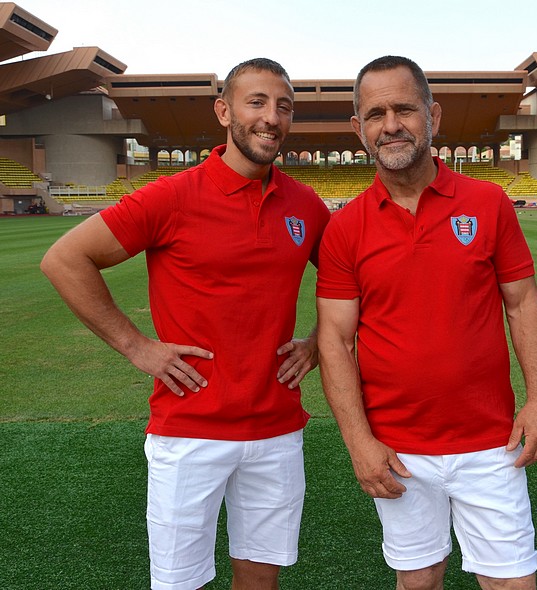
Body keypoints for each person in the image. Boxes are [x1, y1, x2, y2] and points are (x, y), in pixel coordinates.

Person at [41, 57, 330, 590]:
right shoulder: (172, 196)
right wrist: (136, 346)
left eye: (284, 107)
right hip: (189, 430)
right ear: (224, 111)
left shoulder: (305, 205)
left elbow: (352, 283)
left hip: (276, 429)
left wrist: (316, 343)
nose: (272, 118)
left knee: (260, 580)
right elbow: (64, 259)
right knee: (179, 584)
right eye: (257, 102)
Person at [316, 56, 537, 590]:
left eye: (405, 108)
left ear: (433, 115)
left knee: (512, 582)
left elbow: (522, 304)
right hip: (397, 450)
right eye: (375, 113)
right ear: (359, 129)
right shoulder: (345, 227)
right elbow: (335, 340)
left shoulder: (488, 203)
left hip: (492, 444)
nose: (391, 124)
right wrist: (359, 442)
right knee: (418, 579)